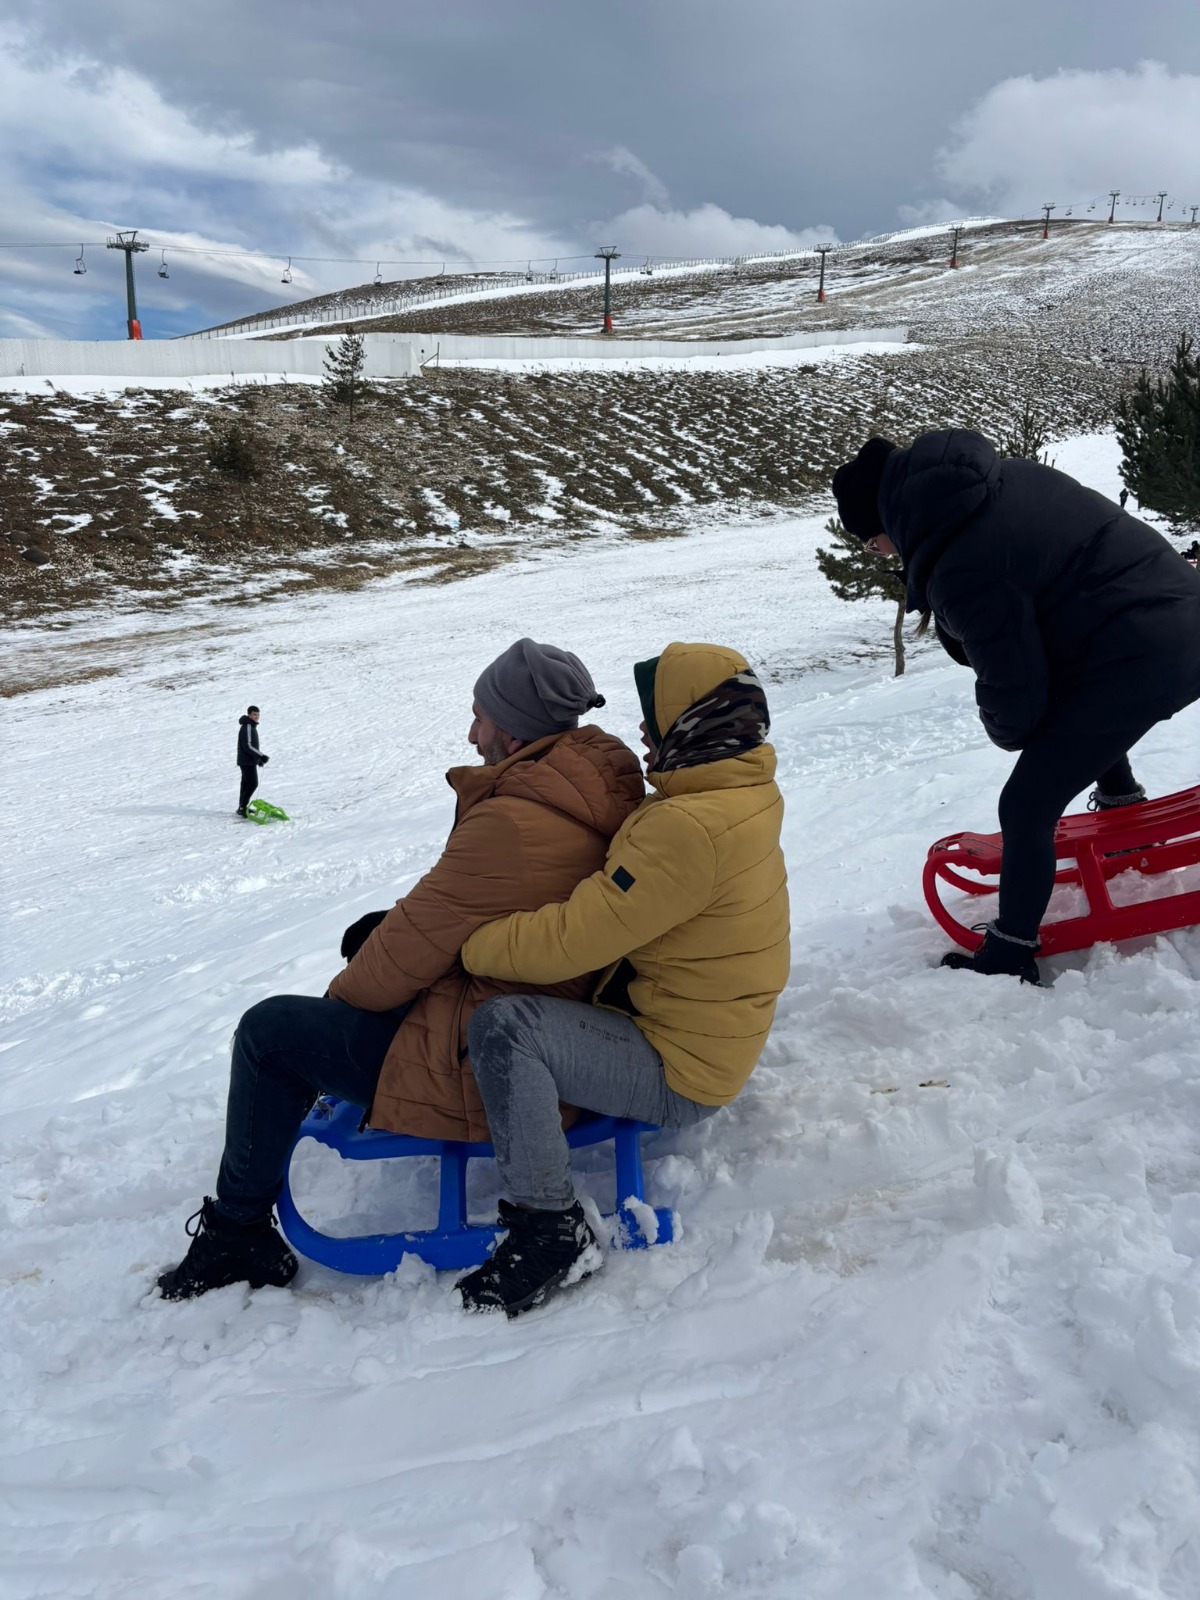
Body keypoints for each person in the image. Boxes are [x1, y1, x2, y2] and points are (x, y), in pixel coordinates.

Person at [158, 641, 644, 1300]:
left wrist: (331, 1027)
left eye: (480, 717)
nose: (471, 735)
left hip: (487, 1061)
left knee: (269, 1035)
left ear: (513, 729)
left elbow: (395, 964)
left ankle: (237, 1236)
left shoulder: (514, 821)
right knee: (372, 948)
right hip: (544, 1028)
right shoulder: (586, 788)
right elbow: (466, 912)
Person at [456, 642, 790, 1318]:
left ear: (694, 722)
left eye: (654, 715)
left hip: (679, 1070)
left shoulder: (687, 827)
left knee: (507, 1028)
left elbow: (568, 942)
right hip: (714, 1038)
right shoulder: (740, 789)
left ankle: (551, 1229)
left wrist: (463, 945)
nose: (641, 728)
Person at [832, 429, 1200, 984]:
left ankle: (1010, 952)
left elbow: (1016, 692)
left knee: (1026, 805)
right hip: (1175, 614)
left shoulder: (960, 561)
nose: (880, 553)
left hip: (1145, 651)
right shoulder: (998, 479)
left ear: (886, 520)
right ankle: (1124, 806)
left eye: (870, 542)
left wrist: (1007, 728)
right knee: (1076, 714)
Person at [236, 705, 269, 817]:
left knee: (246, 784)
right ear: (249, 714)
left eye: (258, 715)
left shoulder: (250, 726)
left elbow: (250, 747)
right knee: (253, 783)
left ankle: (242, 807)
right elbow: (248, 746)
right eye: (254, 714)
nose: (256, 717)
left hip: (247, 760)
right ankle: (242, 807)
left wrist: (258, 759)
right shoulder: (248, 726)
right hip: (246, 761)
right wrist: (261, 756)